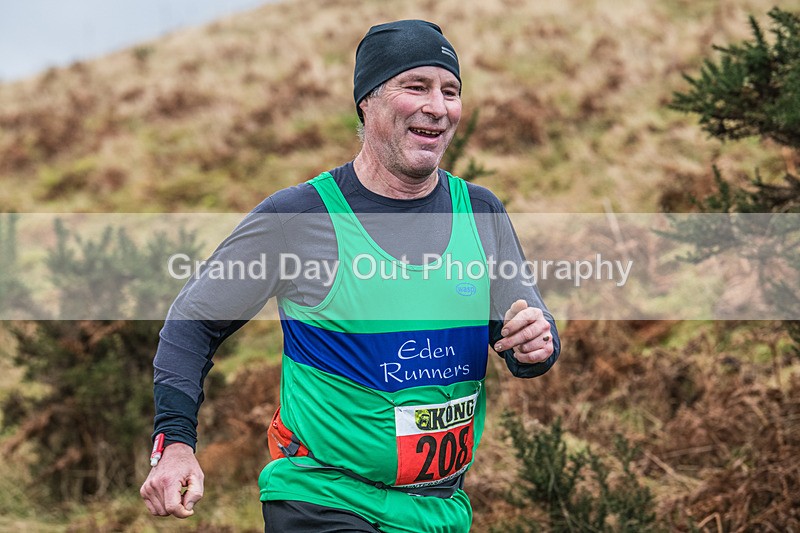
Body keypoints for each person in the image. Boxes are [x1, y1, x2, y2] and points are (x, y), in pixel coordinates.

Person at [140, 19, 560, 532]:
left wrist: (537, 343)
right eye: (416, 86)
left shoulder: (480, 212)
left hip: (439, 510)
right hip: (323, 501)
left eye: (450, 91)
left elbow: (527, 332)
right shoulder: (299, 220)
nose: (438, 106)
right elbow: (192, 322)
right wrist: (175, 445)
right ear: (367, 101)